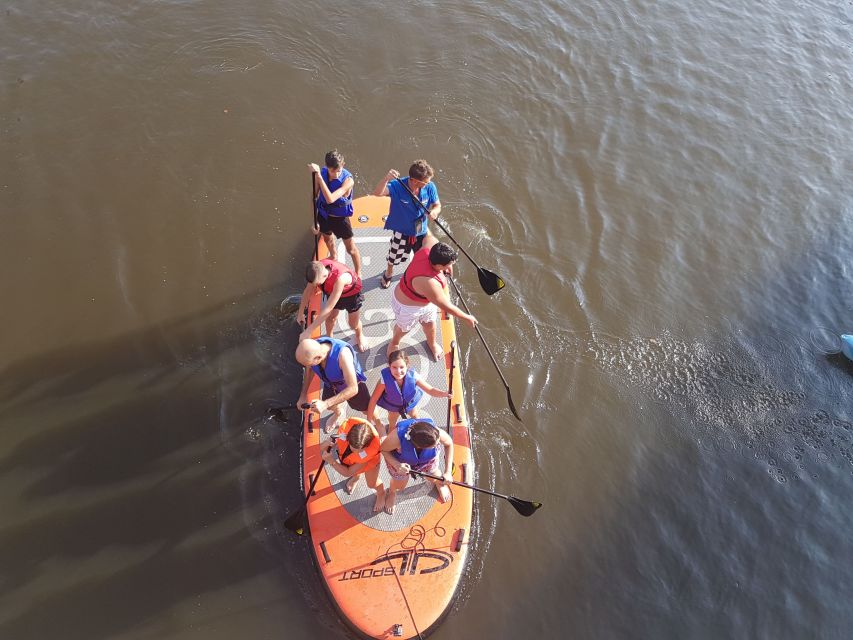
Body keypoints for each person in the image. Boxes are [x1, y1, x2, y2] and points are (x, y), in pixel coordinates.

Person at [388, 234, 477, 360]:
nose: (451, 267)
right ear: (439, 266)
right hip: (408, 307)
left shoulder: (428, 249)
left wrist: (448, 265)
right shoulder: (430, 283)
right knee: (403, 329)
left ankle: (432, 343)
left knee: (430, 324)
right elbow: (445, 305)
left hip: (425, 303)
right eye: (448, 265)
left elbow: (428, 237)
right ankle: (394, 343)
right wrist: (466, 317)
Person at [372, 159, 441, 289]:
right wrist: (386, 178)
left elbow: (437, 205)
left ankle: (415, 275)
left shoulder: (430, 186)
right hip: (401, 230)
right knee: (394, 254)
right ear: (415, 180)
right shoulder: (398, 186)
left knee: (422, 255)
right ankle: (388, 273)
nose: (428, 184)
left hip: (420, 229)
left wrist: (435, 212)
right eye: (425, 182)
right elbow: (377, 193)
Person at [366, 350, 451, 435]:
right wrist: (368, 421)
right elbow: (373, 399)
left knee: (416, 419)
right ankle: (391, 444)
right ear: (389, 366)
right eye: (394, 367)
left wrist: (444, 394)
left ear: (407, 366)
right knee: (392, 426)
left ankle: (418, 436)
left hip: (410, 405)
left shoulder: (414, 376)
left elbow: (430, 390)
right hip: (393, 408)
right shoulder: (384, 380)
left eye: (402, 367)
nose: (398, 371)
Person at [380, 418, 454, 514]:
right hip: (400, 463)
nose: (438, 445)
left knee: (435, 474)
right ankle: (392, 492)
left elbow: (449, 444)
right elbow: (383, 449)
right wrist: (396, 465)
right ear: (419, 446)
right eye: (434, 445)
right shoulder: (397, 438)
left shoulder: (435, 433)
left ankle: (438, 483)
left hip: (427, 461)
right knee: (400, 485)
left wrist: (448, 472)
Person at [295, 337, 370, 430]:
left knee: (366, 409)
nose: (308, 366)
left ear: (318, 358)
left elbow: (353, 388)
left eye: (309, 364)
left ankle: (378, 424)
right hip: (331, 383)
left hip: (351, 385)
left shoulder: (343, 355)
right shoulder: (314, 352)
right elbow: (309, 370)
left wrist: (325, 404)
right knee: (330, 406)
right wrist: (303, 395)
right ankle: (339, 413)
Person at [310, 150, 362, 277]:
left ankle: (358, 272)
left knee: (351, 249)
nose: (336, 174)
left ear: (343, 165)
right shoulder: (322, 174)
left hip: (340, 219)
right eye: (332, 171)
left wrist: (319, 177)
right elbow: (314, 197)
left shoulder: (348, 180)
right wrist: (314, 220)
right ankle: (333, 256)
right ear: (327, 167)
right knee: (327, 239)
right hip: (324, 215)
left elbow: (330, 198)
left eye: (339, 170)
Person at [297, 258, 366, 351]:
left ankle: (359, 334)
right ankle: (330, 339)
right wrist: (300, 313)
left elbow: (328, 308)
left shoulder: (340, 279)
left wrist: (309, 330)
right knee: (331, 319)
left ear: (324, 275)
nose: (315, 285)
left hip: (351, 297)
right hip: (332, 292)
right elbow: (307, 290)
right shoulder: (317, 269)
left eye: (317, 283)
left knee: (353, 324)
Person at [320, 417, 386, 512]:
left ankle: (381, 493)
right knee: (352, 466)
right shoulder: (343, 434)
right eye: (352, 446)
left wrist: (332, 461)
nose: (353, 450)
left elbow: (348, 472)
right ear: (348, 437)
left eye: (358, 450)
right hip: (351, 461)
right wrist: (326, 442)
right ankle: (356, 477)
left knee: (372, 484)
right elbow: (321, 448)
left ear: (366, 446)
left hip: (370, 463)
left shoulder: (369, 453)